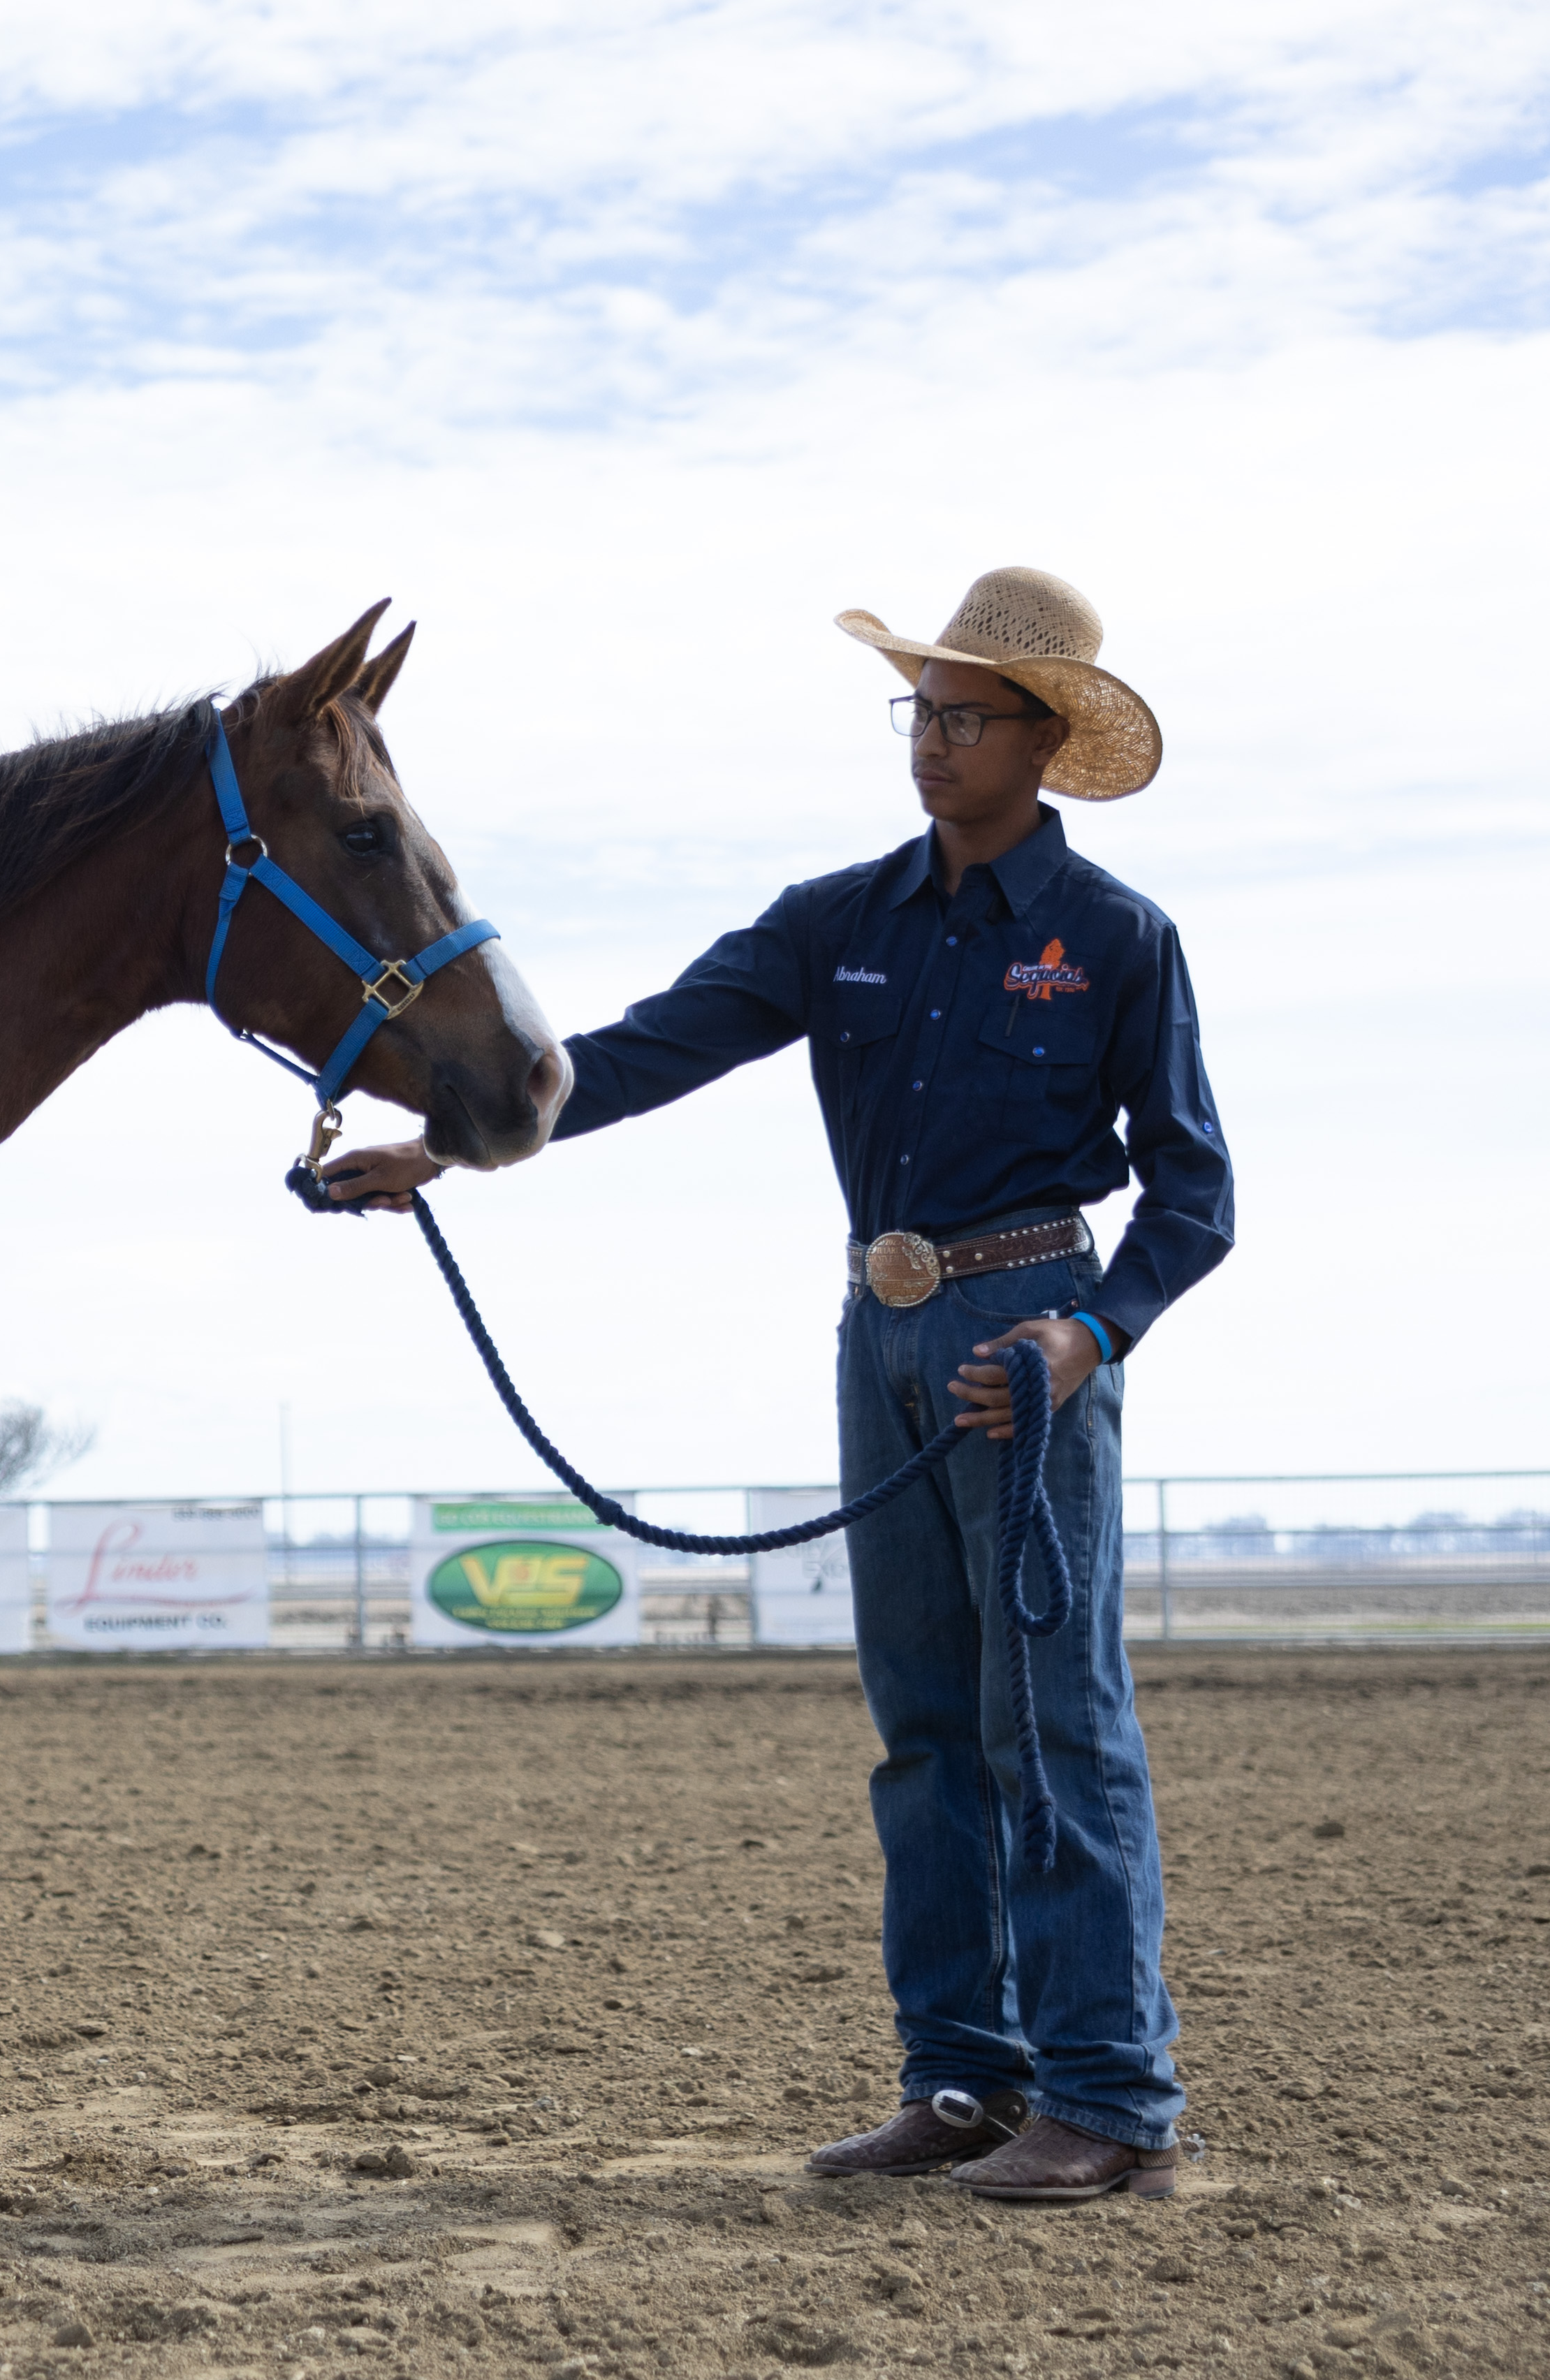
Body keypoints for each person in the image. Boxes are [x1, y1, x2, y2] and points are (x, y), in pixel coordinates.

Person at [323, 567, 1232, 2203]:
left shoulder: (1114, 940)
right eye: (917, 711)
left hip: (1023, 1332)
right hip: (875, 1327)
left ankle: (1110, 2105)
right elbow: (639, 1049)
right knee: (920, 1728)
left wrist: (1085, 1336)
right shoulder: (834, 921)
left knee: (1051, 1724)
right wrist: (447, 1149)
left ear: (1042, 739)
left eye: (964, 719)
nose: (929, 742)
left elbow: (1193, 1194)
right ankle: (959, 2081)